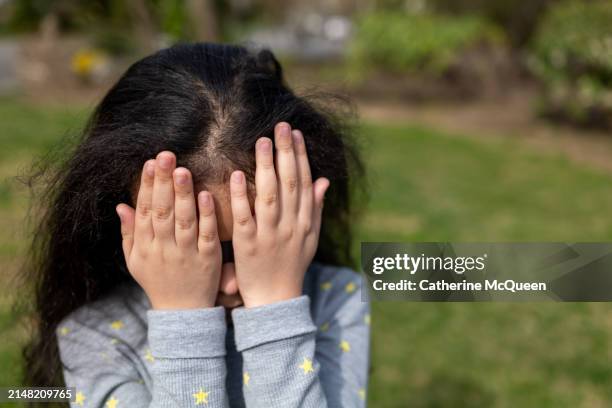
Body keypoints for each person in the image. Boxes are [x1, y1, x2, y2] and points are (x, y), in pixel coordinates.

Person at [20, 42, 369, 407]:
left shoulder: (337, 299)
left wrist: (275, 307)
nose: (233, 281)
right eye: (188, 245)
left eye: (255, 243)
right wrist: (184, 323)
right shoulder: (94, 336)